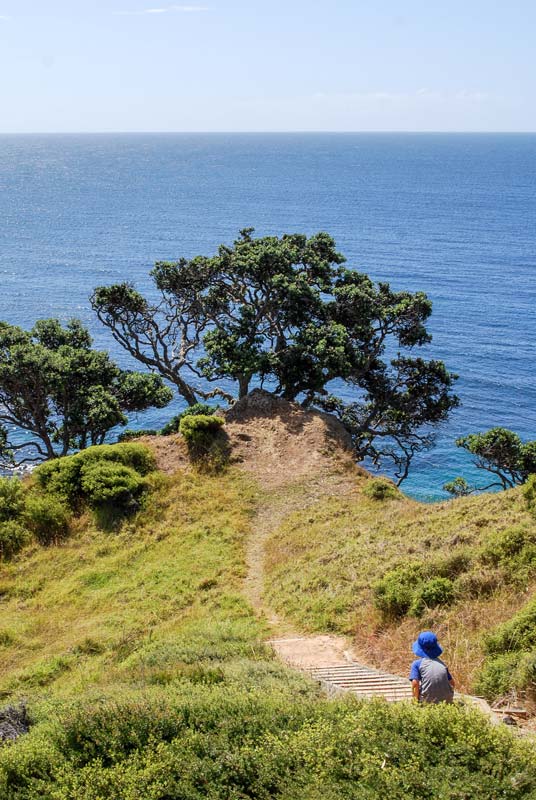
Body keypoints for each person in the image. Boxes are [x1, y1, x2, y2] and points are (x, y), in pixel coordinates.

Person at [409, 631, 455, 704]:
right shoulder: (442, 664)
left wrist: (415, 701)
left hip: (428, 701)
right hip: (447, 701)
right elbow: (452, 683)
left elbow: (415, 684)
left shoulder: (417, 664)